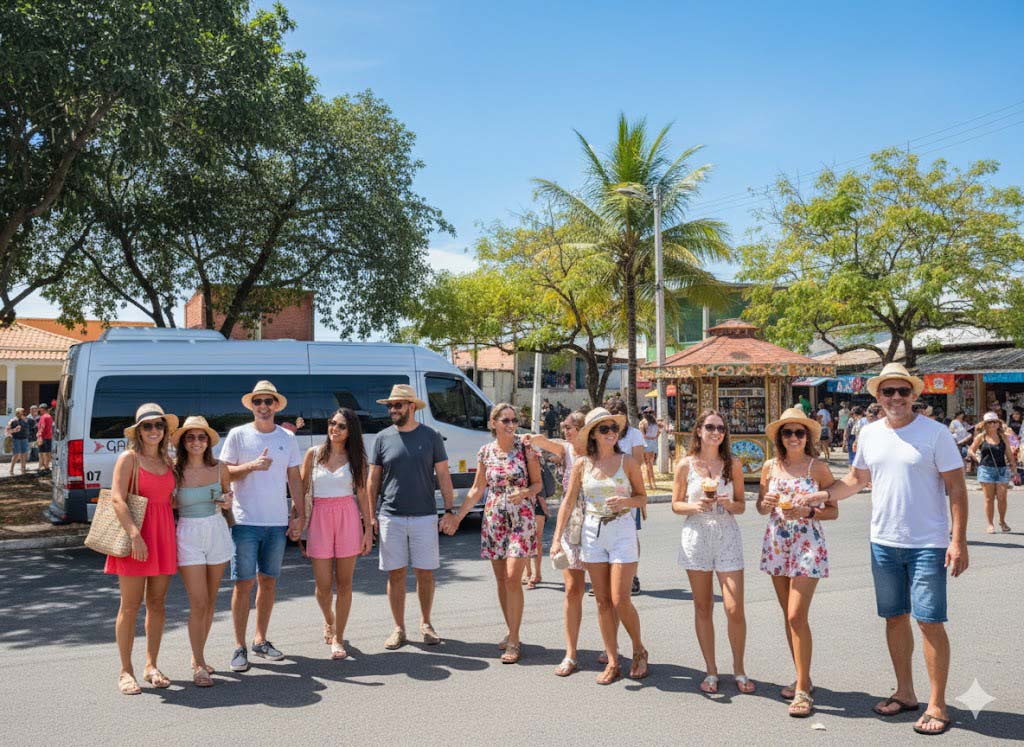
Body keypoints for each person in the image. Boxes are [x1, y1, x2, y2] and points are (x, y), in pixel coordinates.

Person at [801, 363, 968, 736]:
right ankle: (906, 693)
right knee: (894, 617)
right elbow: (857, 480)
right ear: (877, 397)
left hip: (928, 543)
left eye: (902, 392)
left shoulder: (936, 434)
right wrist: (823, 495)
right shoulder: (871, 434)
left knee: (929, 621)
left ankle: (937, 704)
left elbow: (956, 489)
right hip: (883, 542)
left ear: (914, 395)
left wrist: (958, 541)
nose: (895, 398)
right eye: (888, 392)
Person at [443, 403, 541, 664]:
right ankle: (512, 631)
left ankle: (514, 640)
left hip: (521, 517)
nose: (511, 425)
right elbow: (477, 489)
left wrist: (526, 492)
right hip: (495, 517)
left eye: (514, 420)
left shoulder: (525, 448)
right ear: (493, 423)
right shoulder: (485, 452)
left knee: (512, 577)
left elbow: (539, 483)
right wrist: (457, 516)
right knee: (501, 581)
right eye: (506, 420)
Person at [757, 407, 838, 717]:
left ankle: (803, 691)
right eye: (787, 433)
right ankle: (803, 677)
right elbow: (763, 508)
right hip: (777, 543)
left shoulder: (817, 469)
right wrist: (764, 504)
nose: (793, 438)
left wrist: (809, 512)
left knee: (795, 616)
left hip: (807, 544)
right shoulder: (769, 468)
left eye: (799, 433)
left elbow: (833, 510)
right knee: (789, 616)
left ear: (808, 437)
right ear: (780, 437)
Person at [560, 407, 649, 684]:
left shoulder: (628, 463)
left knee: (621, 598)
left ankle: (638, 649)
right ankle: (613, 660)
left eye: (614, 428)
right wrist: (554, 540)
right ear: (593, 435)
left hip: (622, 530)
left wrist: (627, 502)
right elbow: (569, 501)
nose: (611, 433)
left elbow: (642, 498)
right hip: (592, 532)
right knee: (601, 601)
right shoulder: (582, 464)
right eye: (605, 429)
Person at [220, 381, 304, 673]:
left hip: (276, 521)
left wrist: (300, 515)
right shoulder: (238, 435)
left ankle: (260, 640)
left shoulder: (287, 438)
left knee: (268, 582)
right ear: (252, 405)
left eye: (269, 401)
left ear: (277, 405)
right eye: (259, 402)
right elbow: (224, 473)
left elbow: (295, 478)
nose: (264, 406)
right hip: (245, 522)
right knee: (243, 584)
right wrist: (251, 467)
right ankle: (239, 647)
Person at [672, 410, 753, 695]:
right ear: (698, 431)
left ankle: (740, 669)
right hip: (696, 536)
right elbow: (675, 504)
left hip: (727, 534)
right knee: (703, 606)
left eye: (720, 427)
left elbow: (742, 505)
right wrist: (695, 507)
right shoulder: (685, 465)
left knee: (734, 608)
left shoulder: (733, 464)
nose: (716, 431)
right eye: (710, 427)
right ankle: (711, 670)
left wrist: (728, 503)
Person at [370, 384, 455, 650]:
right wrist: (370, 515)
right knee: (395, 574)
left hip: (424, 515)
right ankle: (399, 628)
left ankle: (426, 624)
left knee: (425, 574)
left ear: (411, 407)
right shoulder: (382, 438)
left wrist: (449, 511)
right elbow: (373, 479)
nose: (392, 410)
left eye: (397, 405)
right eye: (390, 406)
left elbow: (443, 476)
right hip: (390, 516)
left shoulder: (431, 436)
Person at [105, 404, 179, 694]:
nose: (153, 430)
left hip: (163, 537)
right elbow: (117, 499)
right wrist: (135, 535)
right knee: (130, 605)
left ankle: (151, 665)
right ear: (138, 431)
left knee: (158, 604)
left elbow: (169, 500)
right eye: (147, 426)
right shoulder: (129, 459)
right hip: (136, 538)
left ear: (165, 431)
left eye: (158, 426)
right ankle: (125, 670)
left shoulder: (168, 462)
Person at [301, 408, 374, 660]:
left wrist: (369, 530)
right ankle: (329, 620)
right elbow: (301, 491)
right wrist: (296, 521)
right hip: (320, 517)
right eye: (332, 423)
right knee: (322, 585)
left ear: (350, 430)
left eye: (341, 426)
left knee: (344, 583)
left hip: (347, 517)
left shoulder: (357, 460)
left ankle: (339, 638)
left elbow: (363, 495)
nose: (334, 428)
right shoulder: (313, 454)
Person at [170, 415, 234, 687]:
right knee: (197, 602)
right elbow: (167, 505)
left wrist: (227, 501)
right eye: (191, 436)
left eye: (201, 437)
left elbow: (228, 498)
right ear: (183, 441)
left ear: (208, 441)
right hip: (188, 533)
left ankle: (200, 655)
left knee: (209, 601)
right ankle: (197, 664)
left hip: (216, 531)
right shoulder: (173, 470)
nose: (196, 441)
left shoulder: (220, 468)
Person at [532, 411, 587, 676]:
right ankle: (571, 653)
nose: (566, 430)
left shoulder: (598, 453)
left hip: (597, 523)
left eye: (571, 427)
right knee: (572, 590)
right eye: (564, 426)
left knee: (605, 596)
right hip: (571, 522)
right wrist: (532, 438)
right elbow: (546, 443)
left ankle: (610, 649)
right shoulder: (566, 450)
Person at [605, 397, 645, 595]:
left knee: (630, 534)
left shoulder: (634, 435)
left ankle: (633, 576)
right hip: (604, 491)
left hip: (627, 491)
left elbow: (638, 462)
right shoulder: (602, 434)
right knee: (604, 531)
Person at [967, 412, 1017, 534]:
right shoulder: (981, 437)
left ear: (998, 423)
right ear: (985, 425)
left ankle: (1002, 521)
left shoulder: (1003, 436)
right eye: (990, 422)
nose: (993, 424)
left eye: (995, 422)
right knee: (989, 499)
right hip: (986, 469)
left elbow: (1009, 453)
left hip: (1002, 469)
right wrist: (976, 457)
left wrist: (1013, 467)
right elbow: (971, 450)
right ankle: (990, 524)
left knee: (1002, 497)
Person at [641, 408, 660, 490]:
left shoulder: (642, 423)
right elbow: (659, 432)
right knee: (650, 464)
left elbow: (643, 436)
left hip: (647, 444)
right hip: (654, 444)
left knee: (648, 464)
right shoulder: (655, 422)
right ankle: (652, 482)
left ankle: (650, 483)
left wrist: (651, 437)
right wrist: (654, 437)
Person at [5, 408, 29, 475]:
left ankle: (23, 470)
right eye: (20, 412)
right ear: (17, 413)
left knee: (24, 455)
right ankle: (11, 470)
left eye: (22, 412)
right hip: (16, 439)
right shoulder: (12, 421)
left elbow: (28, 427)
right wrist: (14, 430)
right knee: (16, 455)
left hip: (24, 439)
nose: (22, 414)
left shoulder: (25, 419)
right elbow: (7, 431)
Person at [36, 403, 54, 474]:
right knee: (47, 452)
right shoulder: (49, 416)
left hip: (43, 437)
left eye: (40, 409)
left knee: (42, 453)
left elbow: (42, 426)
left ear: (42, 409)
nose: (39, 410)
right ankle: (46, 466)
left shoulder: (43, 417)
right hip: (49, 437)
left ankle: (42, 467)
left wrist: (39, 434)